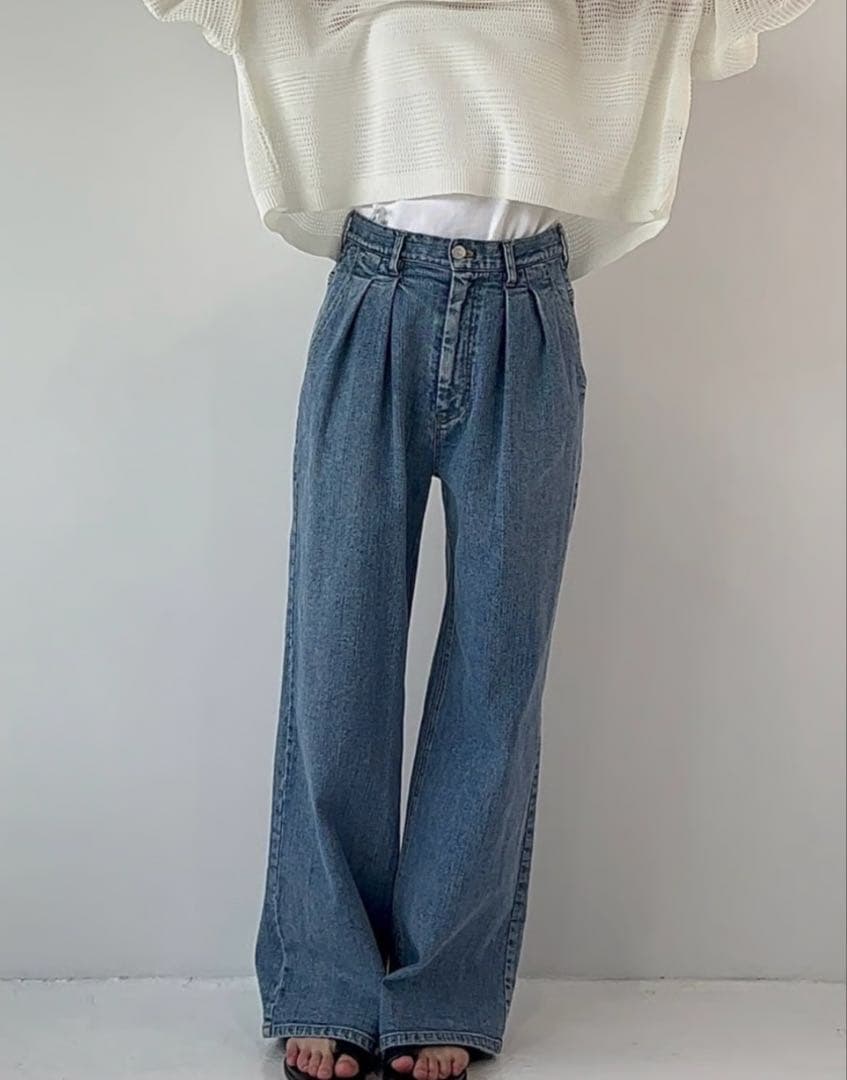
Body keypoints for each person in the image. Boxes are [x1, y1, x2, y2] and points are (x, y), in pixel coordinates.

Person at [140, 3, 817, 1078]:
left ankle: (441, 986)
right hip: (377, 296)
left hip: (525, 312)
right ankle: (326, 978)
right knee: (338, 651)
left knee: (497, 663)